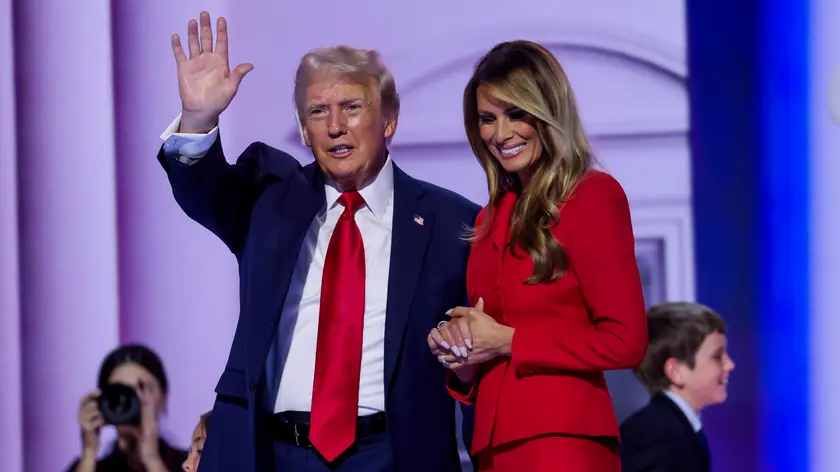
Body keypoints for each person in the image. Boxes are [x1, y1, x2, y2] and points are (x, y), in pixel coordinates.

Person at [159, 11, 480, 472]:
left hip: (392, 454)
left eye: (352, 107)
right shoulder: (268, 197)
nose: (335, 127)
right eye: (317, 112)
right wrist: (198, 117)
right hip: (274, 452)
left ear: (389, 119)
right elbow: (202, 191)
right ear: (305, 130)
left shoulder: (452, 222)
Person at [427, 40, 649, 471]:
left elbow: (626, 341)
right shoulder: (491, 215)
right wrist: (463, 354)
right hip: (493, 447)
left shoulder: (591, 196)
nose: (500, 133)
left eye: (516, 114)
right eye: (487, 119)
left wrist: (508, 341)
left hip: (563, 442)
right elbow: (491, 340)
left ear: (547, 112)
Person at [619, 302, 735, 472]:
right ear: (676, 371)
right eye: (717, 356)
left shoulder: (679, 429)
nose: (730, 365)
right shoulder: (654, 434)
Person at [67, 344, 187, 472]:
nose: (133, 400)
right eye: (120, 392)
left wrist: (151, 459)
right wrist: (89, 453)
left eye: (143, 388)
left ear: (164, 397)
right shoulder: (89, 467)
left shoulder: (193, 463)